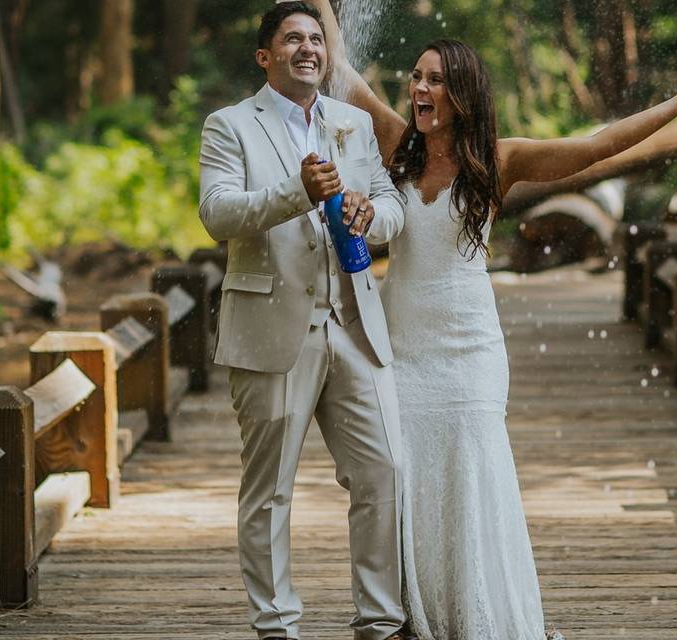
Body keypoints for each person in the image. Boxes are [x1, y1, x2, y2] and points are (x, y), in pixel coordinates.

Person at [306, 2, 677, 639]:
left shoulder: (501, 160)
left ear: (463, 94)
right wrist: (319, 6)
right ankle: (419, 617)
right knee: (410, 477)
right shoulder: (397, 144)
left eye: (436, 80)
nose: (420, 89)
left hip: (470, 349)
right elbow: (338, 71)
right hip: (405, 350)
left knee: (472, 475)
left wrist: (675, 105)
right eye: (417, 77)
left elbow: (594, 147)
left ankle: (481, 617)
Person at [197, 3, 413, 639]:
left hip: (354, 325)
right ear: (266, 56)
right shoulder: (229, 125)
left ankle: (379, 621)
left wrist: (373, 219)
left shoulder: (352, 123)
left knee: (385, 472)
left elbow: (391, 201)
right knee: (270, 491)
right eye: (292, 39)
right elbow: (217, 214)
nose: (308, 48)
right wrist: (298, 193)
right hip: (271, 331)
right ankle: (277, 627)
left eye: (316, 38)